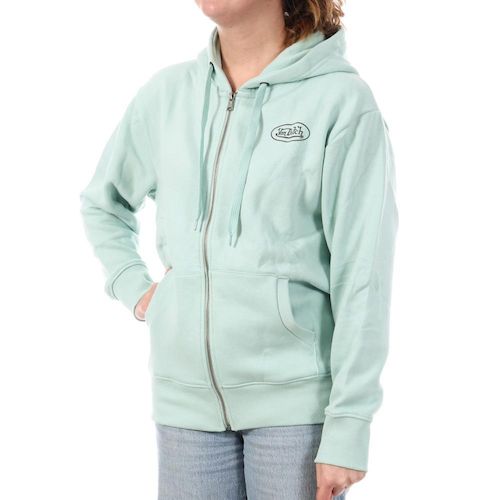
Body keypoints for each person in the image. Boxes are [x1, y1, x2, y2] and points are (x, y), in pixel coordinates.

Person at [79, 0, 398, 498]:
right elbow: (105, 203)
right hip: (185, 410)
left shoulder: (339, 100)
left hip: (296, 414)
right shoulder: (167, 96)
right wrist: (136, 288)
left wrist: (350, 425)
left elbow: (362, 274)